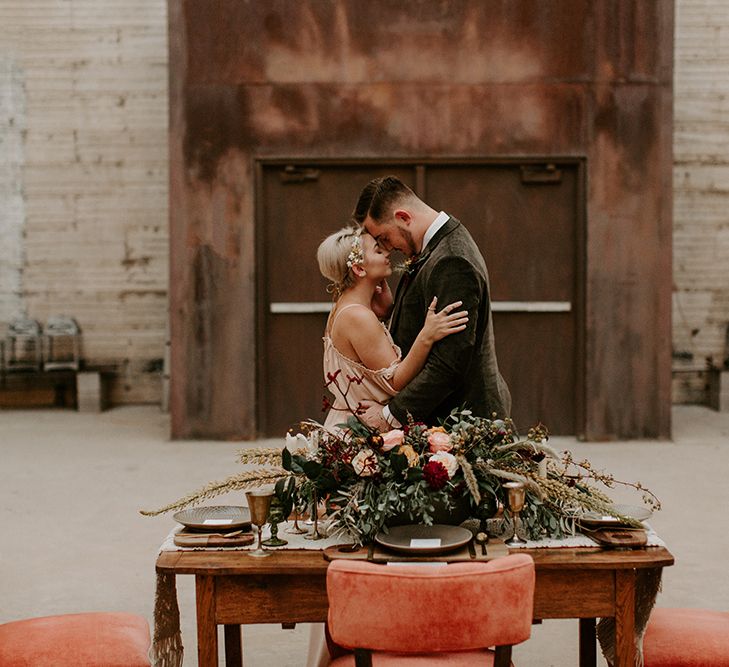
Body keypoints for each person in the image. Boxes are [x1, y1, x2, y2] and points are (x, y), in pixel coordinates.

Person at [352, 175, 511, 429]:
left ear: (403, 217)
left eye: (383, 238)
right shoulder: (433, 249)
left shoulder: (452, 260)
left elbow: (449, 363)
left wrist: (390, 416)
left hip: (463, 422)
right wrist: (389, 312)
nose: (387, 248)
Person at [316, 225, 468, 430]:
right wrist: (427, 335)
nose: (387, 252)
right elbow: (396, 382)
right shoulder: (359, 317)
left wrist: (379, 288)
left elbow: (384, 311)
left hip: (348, 421)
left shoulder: (345, 306)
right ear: (359, 269)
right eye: (378, 251)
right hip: (362, 429)